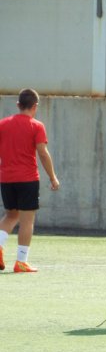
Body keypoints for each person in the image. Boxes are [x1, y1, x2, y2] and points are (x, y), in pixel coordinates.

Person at [0, 88, 60, 273]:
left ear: (18, 105)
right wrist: (53, 177)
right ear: (35, 106)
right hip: (27, 179)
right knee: (27, 220)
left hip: (6, 178)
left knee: (11, 215)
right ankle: (21, 261)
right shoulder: (36, 126)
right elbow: (42, 152)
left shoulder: (2, 124)